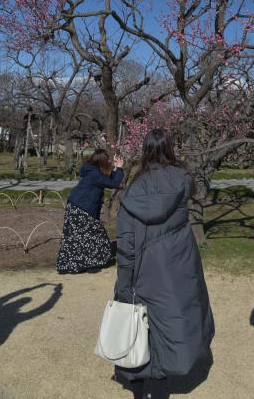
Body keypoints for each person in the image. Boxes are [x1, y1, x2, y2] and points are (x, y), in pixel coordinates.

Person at [114, 128, 214, 398]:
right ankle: (160, 389)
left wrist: (124, 281)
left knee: (138, 330)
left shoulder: (134, 188)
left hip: (143, 269)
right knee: (169, 326)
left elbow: (125, 241)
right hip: (176, 268)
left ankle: (140, 389)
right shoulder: (183, 181)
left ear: (145, 150)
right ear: (170, 147)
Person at [56, 148, 124, 274]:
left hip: (75, 206)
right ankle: (92, 264)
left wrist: (116, 168)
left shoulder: (92, 170)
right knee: (94, 235)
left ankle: (69, 265)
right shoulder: (95, 174)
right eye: (108, 160)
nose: (109, 162)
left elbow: (108, 179)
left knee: (74, 238)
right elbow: (113, 183)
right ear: (102, 161)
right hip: (83, 207)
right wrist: (119, 168)